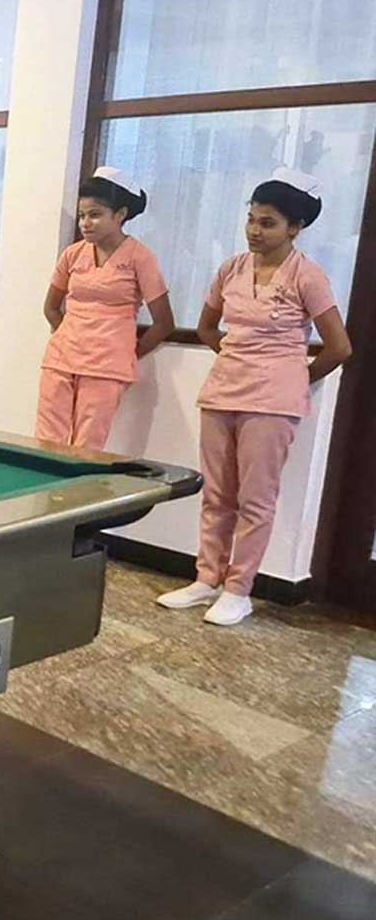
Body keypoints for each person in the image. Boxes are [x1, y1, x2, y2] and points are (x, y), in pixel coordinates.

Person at [157, 167, 353, 626]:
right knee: (216, 493)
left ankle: (238, 590)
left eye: (268, 223)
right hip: (222, 392)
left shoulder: (308, 276)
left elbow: (339, 346)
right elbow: (208, 327)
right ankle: (207, 579)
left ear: (295, 228)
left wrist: (292, 377)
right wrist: (237, 356)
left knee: (256, 499)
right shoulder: (231, 268)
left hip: (272, 403)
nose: (254, 230)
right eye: (251, 219)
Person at [36, 166, 175, 450]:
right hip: (61, 359)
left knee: (87, 445)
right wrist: (70, 336)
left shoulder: (140, 257)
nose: (86, 223)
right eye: (82, 215)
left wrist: (125, 353)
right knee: (47, 439)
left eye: (95, 215)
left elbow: (164, 323)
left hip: (107, 366)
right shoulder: (72, 254)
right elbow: (51, 307)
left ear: (120, 214)